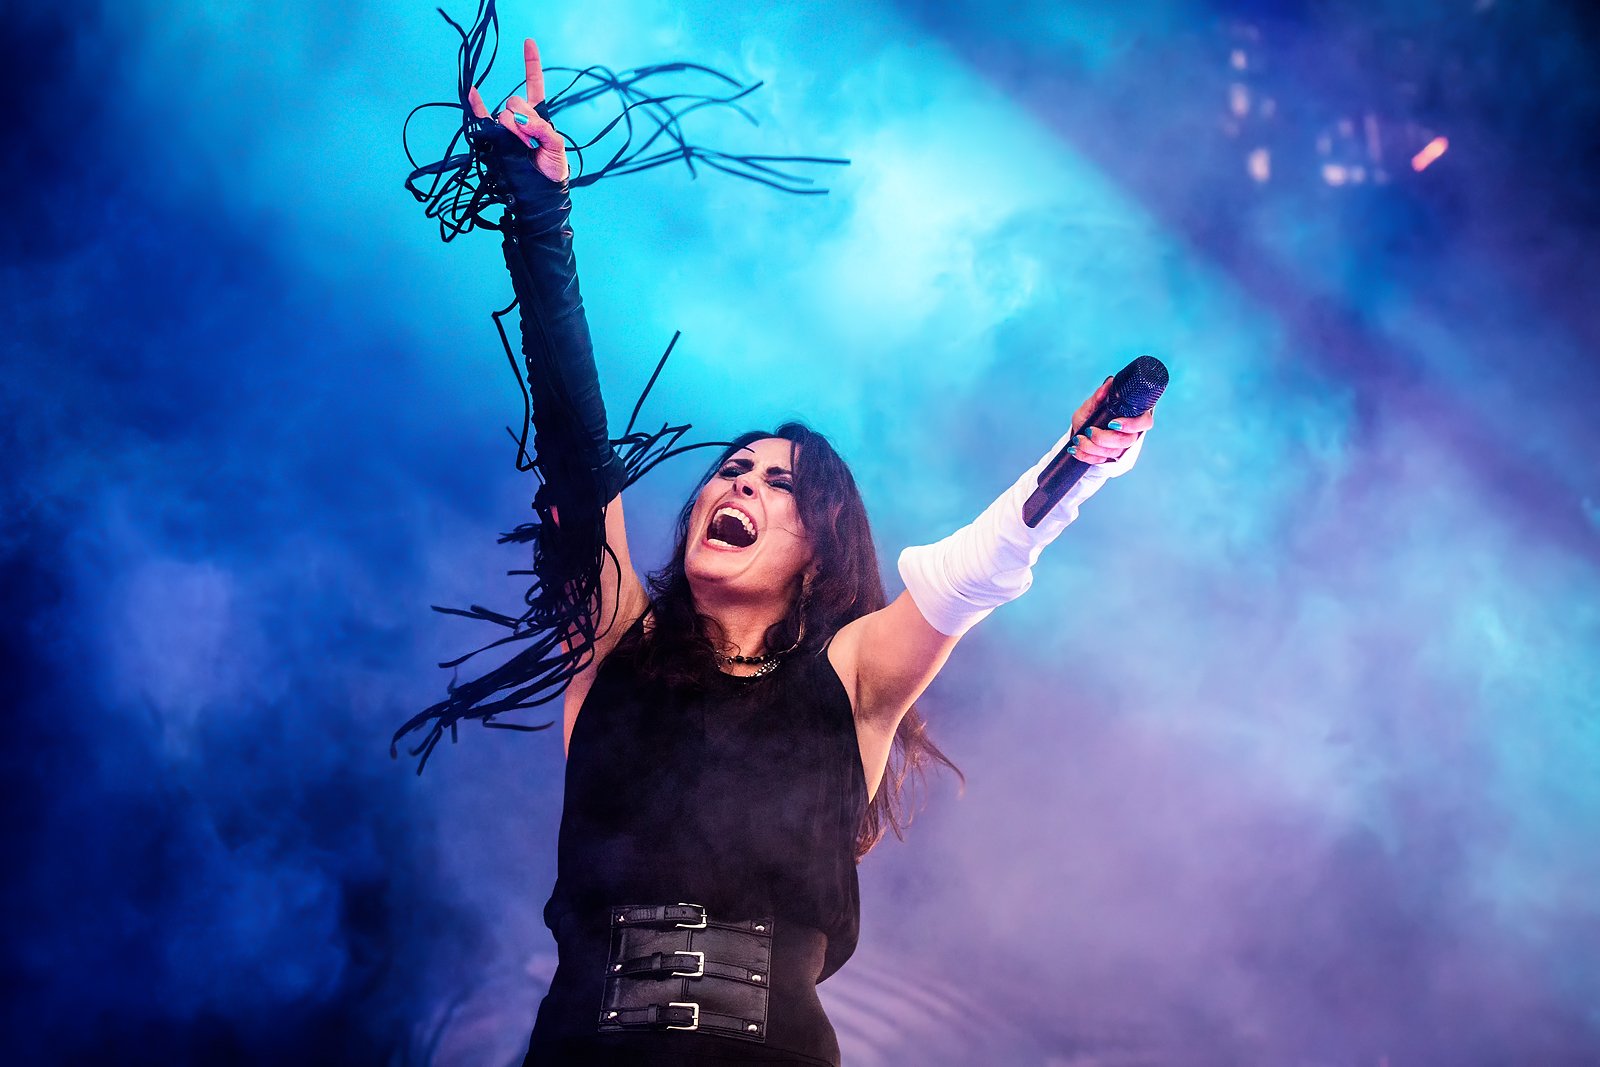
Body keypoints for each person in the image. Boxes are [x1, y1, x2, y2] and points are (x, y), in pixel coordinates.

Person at [413, 31, 1154, 1067]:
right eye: (733, 469)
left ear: (820, 550)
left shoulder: (851, 678)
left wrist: (1075, 465)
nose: (739, 484)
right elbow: (578, 449)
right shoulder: (614, 635)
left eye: (779, 484)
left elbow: (975, 572)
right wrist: (541, 216)